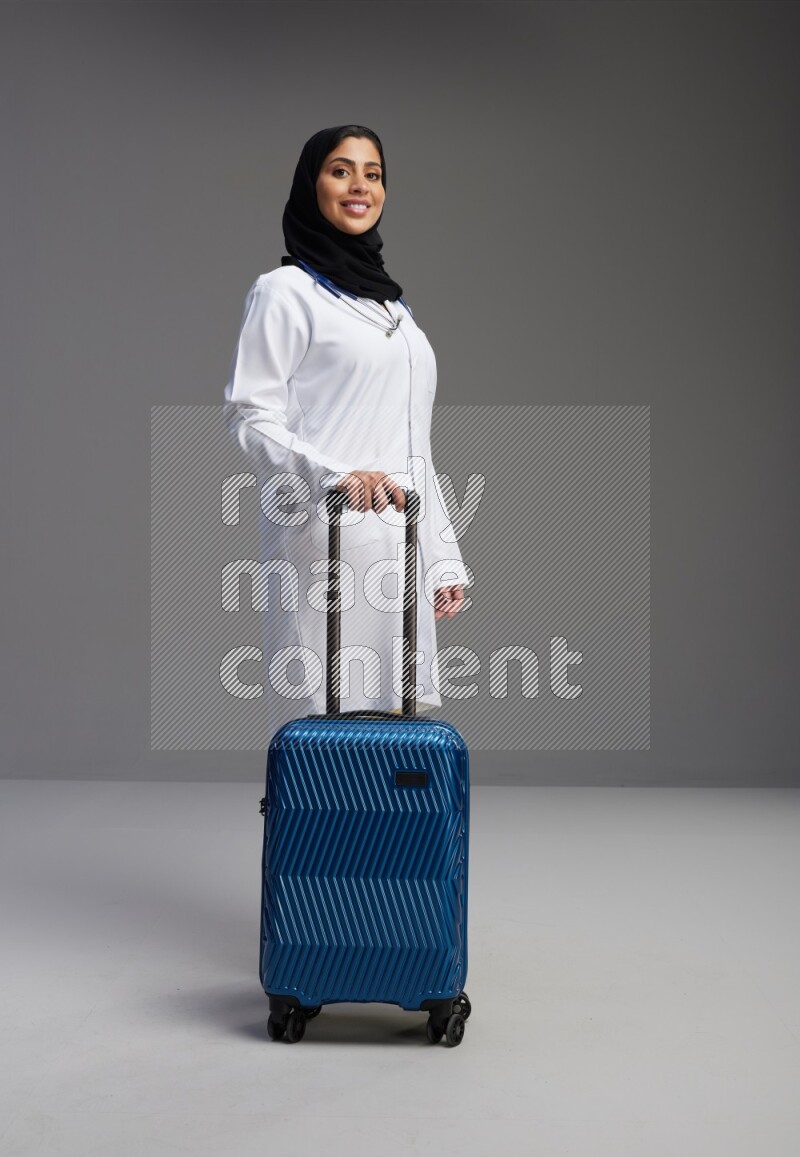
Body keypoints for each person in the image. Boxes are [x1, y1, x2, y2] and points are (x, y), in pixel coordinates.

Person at [224, 125, 470, 735]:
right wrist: (332, 474)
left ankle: (385, 839)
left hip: (401, 539)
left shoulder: (395, 310)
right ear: (313, 185)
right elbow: (248, 415)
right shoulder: (286, 293)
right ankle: (318, 836)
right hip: (325, 530)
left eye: (373, 173)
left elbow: (414, 442)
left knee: (395, 725)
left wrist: (443, 556)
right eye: (340, 170)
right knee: (325, 717)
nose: (359, 185)